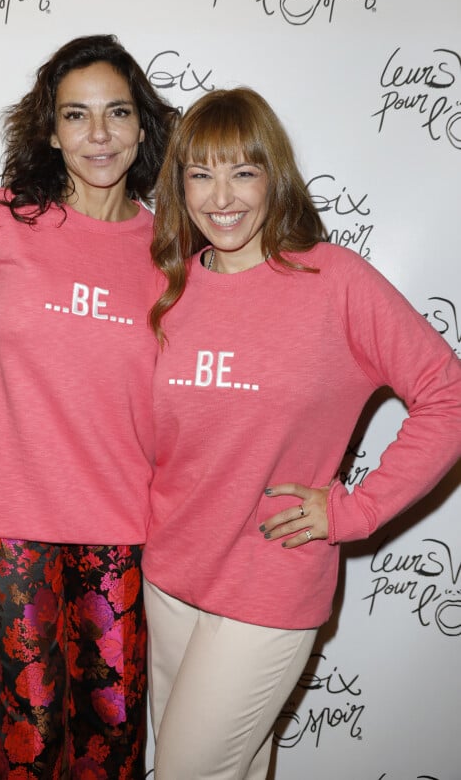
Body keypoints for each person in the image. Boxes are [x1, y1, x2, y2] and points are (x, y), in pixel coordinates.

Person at [142, 87, 461, 780]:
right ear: (179, 185)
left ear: (273, 176)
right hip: (166, 578)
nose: (221, 195)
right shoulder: (168, 288)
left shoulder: (333, 281)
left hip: (269, 584)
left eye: (243, 171)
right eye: (201, 173)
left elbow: (448, 396)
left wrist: (358, 509)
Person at [0, 34, 177, 779]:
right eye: (76, 115)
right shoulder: (3, 218)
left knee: (116, 714)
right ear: (50, 130)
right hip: (14, 509)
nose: (98, 135)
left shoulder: (170, 249)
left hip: (123, 517)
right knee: (28, 711)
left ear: (142, 127)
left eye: (117, 113)